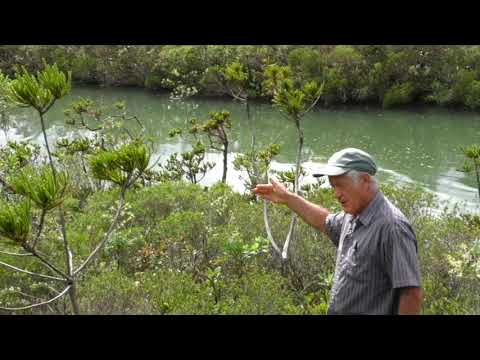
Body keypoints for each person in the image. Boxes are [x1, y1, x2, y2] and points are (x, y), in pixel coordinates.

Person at [253, 148, 422, 315]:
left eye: (341, 186)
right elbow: (324, 221)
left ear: (364, 180)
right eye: (333, 186)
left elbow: (410, 293)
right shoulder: (353, 215)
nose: (336, 194)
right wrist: (288, 198)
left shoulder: (392, 227)